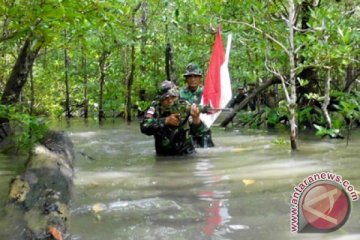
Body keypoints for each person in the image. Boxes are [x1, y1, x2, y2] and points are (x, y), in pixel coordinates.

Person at [140, 80, 207, 156]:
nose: (170, 101)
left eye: (173, 97)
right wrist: (165, 121)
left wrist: (196, 120)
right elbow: (144, 127)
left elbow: (201, 134)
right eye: (166, 98)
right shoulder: (155, 108)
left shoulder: (185, 106)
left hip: (187, 155)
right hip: (164, 157)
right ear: (160, 99)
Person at [180, 63, 214, 148]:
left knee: (207, 152)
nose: (192, 79)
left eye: (195, 76)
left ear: (199, 78)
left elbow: (212, 110)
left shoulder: (207, 93)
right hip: (186, 129)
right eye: (190, 77)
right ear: (186, 79)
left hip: (202, 129)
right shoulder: (179, 93)